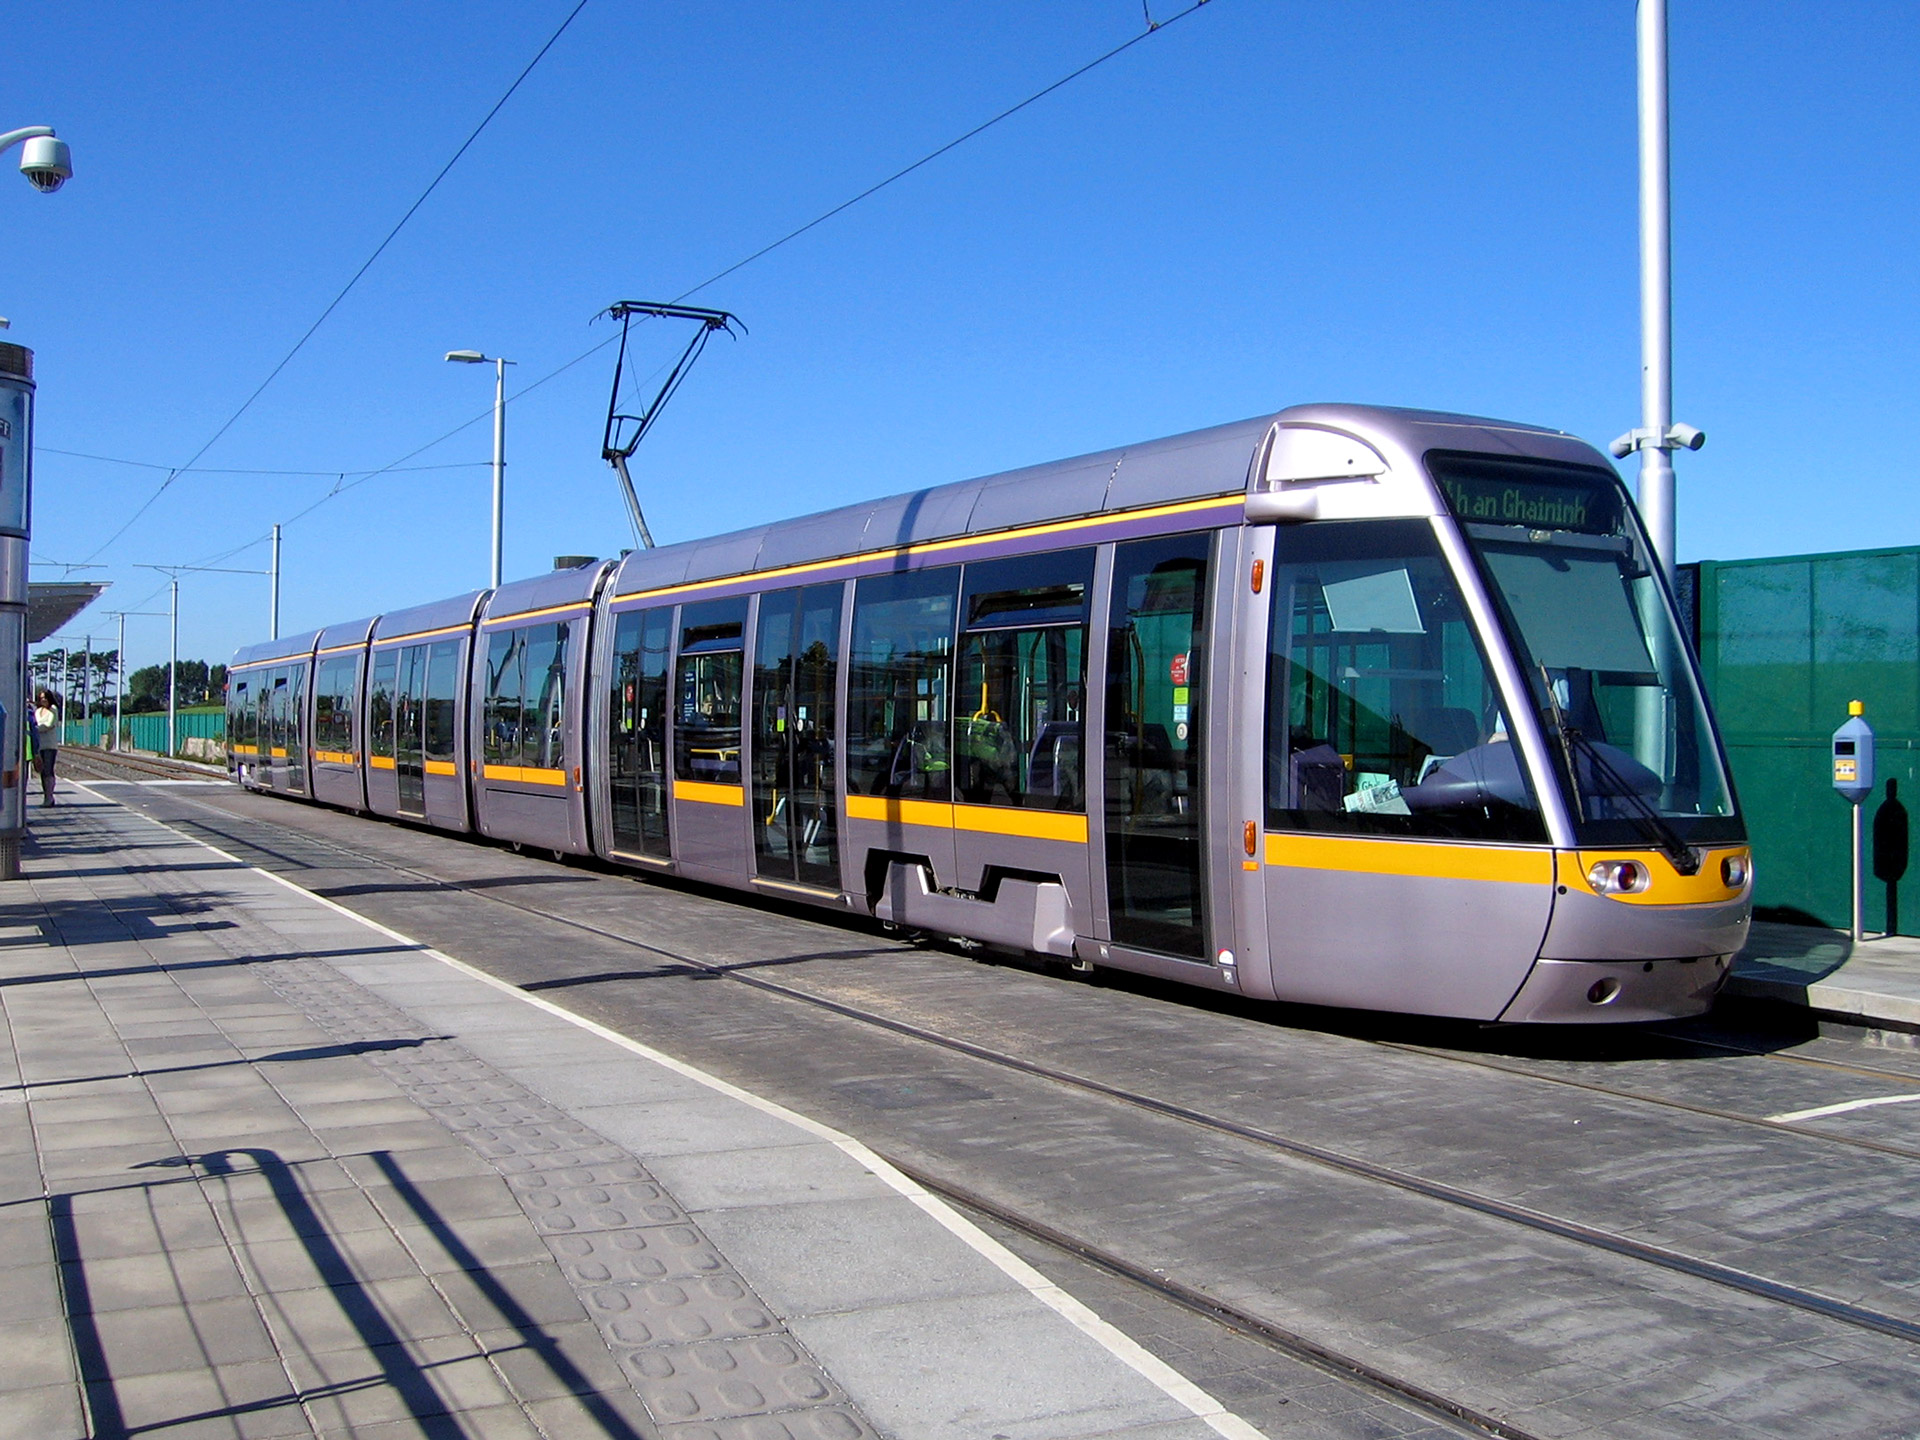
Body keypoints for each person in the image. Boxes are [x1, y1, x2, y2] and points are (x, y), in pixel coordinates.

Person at [31, 690, 58, 807]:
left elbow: (49, 725)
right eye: (41, 698)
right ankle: (46, 796)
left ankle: (49, 796)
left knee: (48, 770)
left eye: (45, 698)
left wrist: (34, 730)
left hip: (49, 745)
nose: (44, 700)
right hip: (39, 745)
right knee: (42, 771)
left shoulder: (53, 710)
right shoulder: (37, 711)